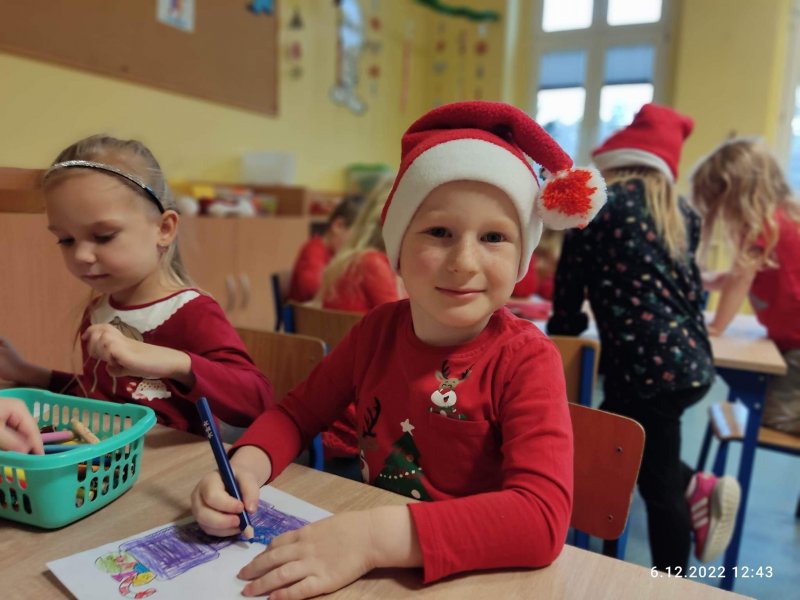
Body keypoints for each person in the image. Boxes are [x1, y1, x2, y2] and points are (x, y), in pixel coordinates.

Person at [191, 100, 606, 598]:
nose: (464, 261)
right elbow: (296, 415)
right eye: (439, 232)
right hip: (381, 571)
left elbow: (540, 519)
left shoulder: (526, 360)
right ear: (398, 249)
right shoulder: (377, 331)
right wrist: (245, 466)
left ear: (522, 259)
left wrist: (371, 538)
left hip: (474, 579)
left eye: (494, 236)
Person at [547, 103, 740, 571]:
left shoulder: (596, 206)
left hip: (645, 371)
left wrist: (562, 341)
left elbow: (567, 297)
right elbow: (688, 291)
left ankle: (673, 582)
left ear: (616, 161)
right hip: (690, 362)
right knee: (622, 446)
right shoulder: (679, 211)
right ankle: (697, 486)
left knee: (656, 486)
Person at [0, 135, 272, 435]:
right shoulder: (99, 310)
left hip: (174, 461)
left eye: (104, 236)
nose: (80, 255)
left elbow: (257, 400)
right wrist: (29, 373)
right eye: (66, 240)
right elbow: (98, 395)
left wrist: (176, 362)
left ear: (164, 229)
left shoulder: (193, 311)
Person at [691, 137, 800, 436]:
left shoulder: (764, 224)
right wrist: (713, 280)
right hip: (788, 339)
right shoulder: (779, 219)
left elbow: (742, 277)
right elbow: (751, 275)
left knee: (775, 416)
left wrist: (717, 327)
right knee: (766, 407)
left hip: (796, 343)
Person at [316, 175, 401, 474]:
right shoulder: (373, 264)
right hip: (358, 406)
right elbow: (404, 329)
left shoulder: (353, 259)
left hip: (339, 388)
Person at [286, 195, 363, 303]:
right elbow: (311, 289)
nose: (359, 248)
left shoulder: (336, 254)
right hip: (310, 313)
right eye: (357, 238)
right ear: (338, 226)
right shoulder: (314, 250)